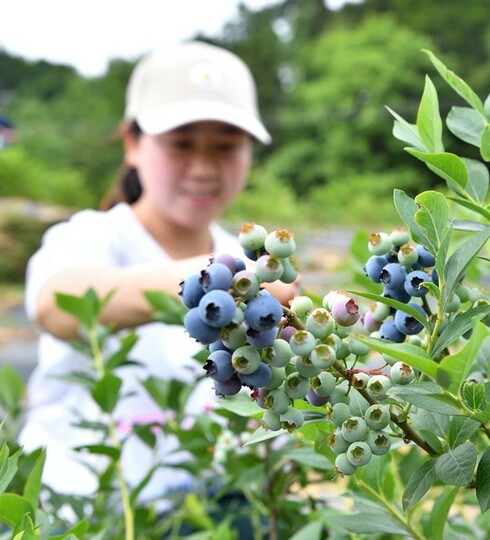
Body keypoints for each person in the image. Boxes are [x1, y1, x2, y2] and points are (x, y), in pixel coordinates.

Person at [20, 41, 298, 512]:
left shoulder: (246, 258)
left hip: (212, 514)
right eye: (180, 143)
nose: (203, 168)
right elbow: (58, 305)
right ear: (132, 143)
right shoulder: (89, 237)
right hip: (83, 516)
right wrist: (225, 281)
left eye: (226, 146)